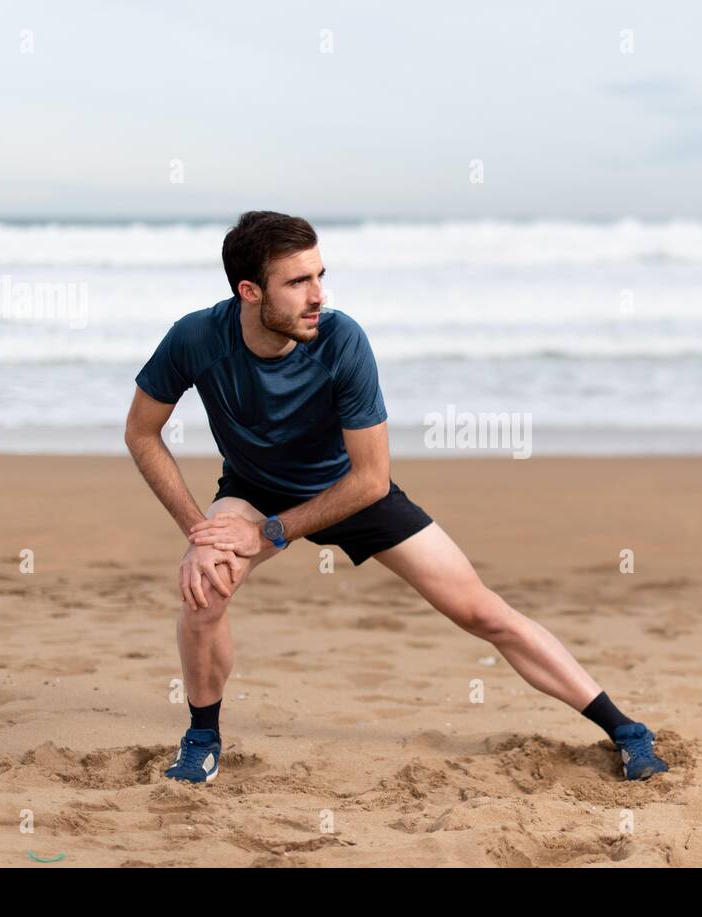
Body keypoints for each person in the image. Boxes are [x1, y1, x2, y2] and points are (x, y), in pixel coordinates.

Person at [124, 211, 668, 784]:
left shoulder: (341, 341)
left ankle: (626, 729)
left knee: (481, 611)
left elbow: (371, 480)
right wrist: (200, 532)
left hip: (348, 492)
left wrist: (268, 533)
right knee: (203, 594)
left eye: (319, 275)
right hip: (254, 491)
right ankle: (203, 738)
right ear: (249, 291)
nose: (318, 296)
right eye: (298, 282)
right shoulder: (196, 338)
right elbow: (141, 431)